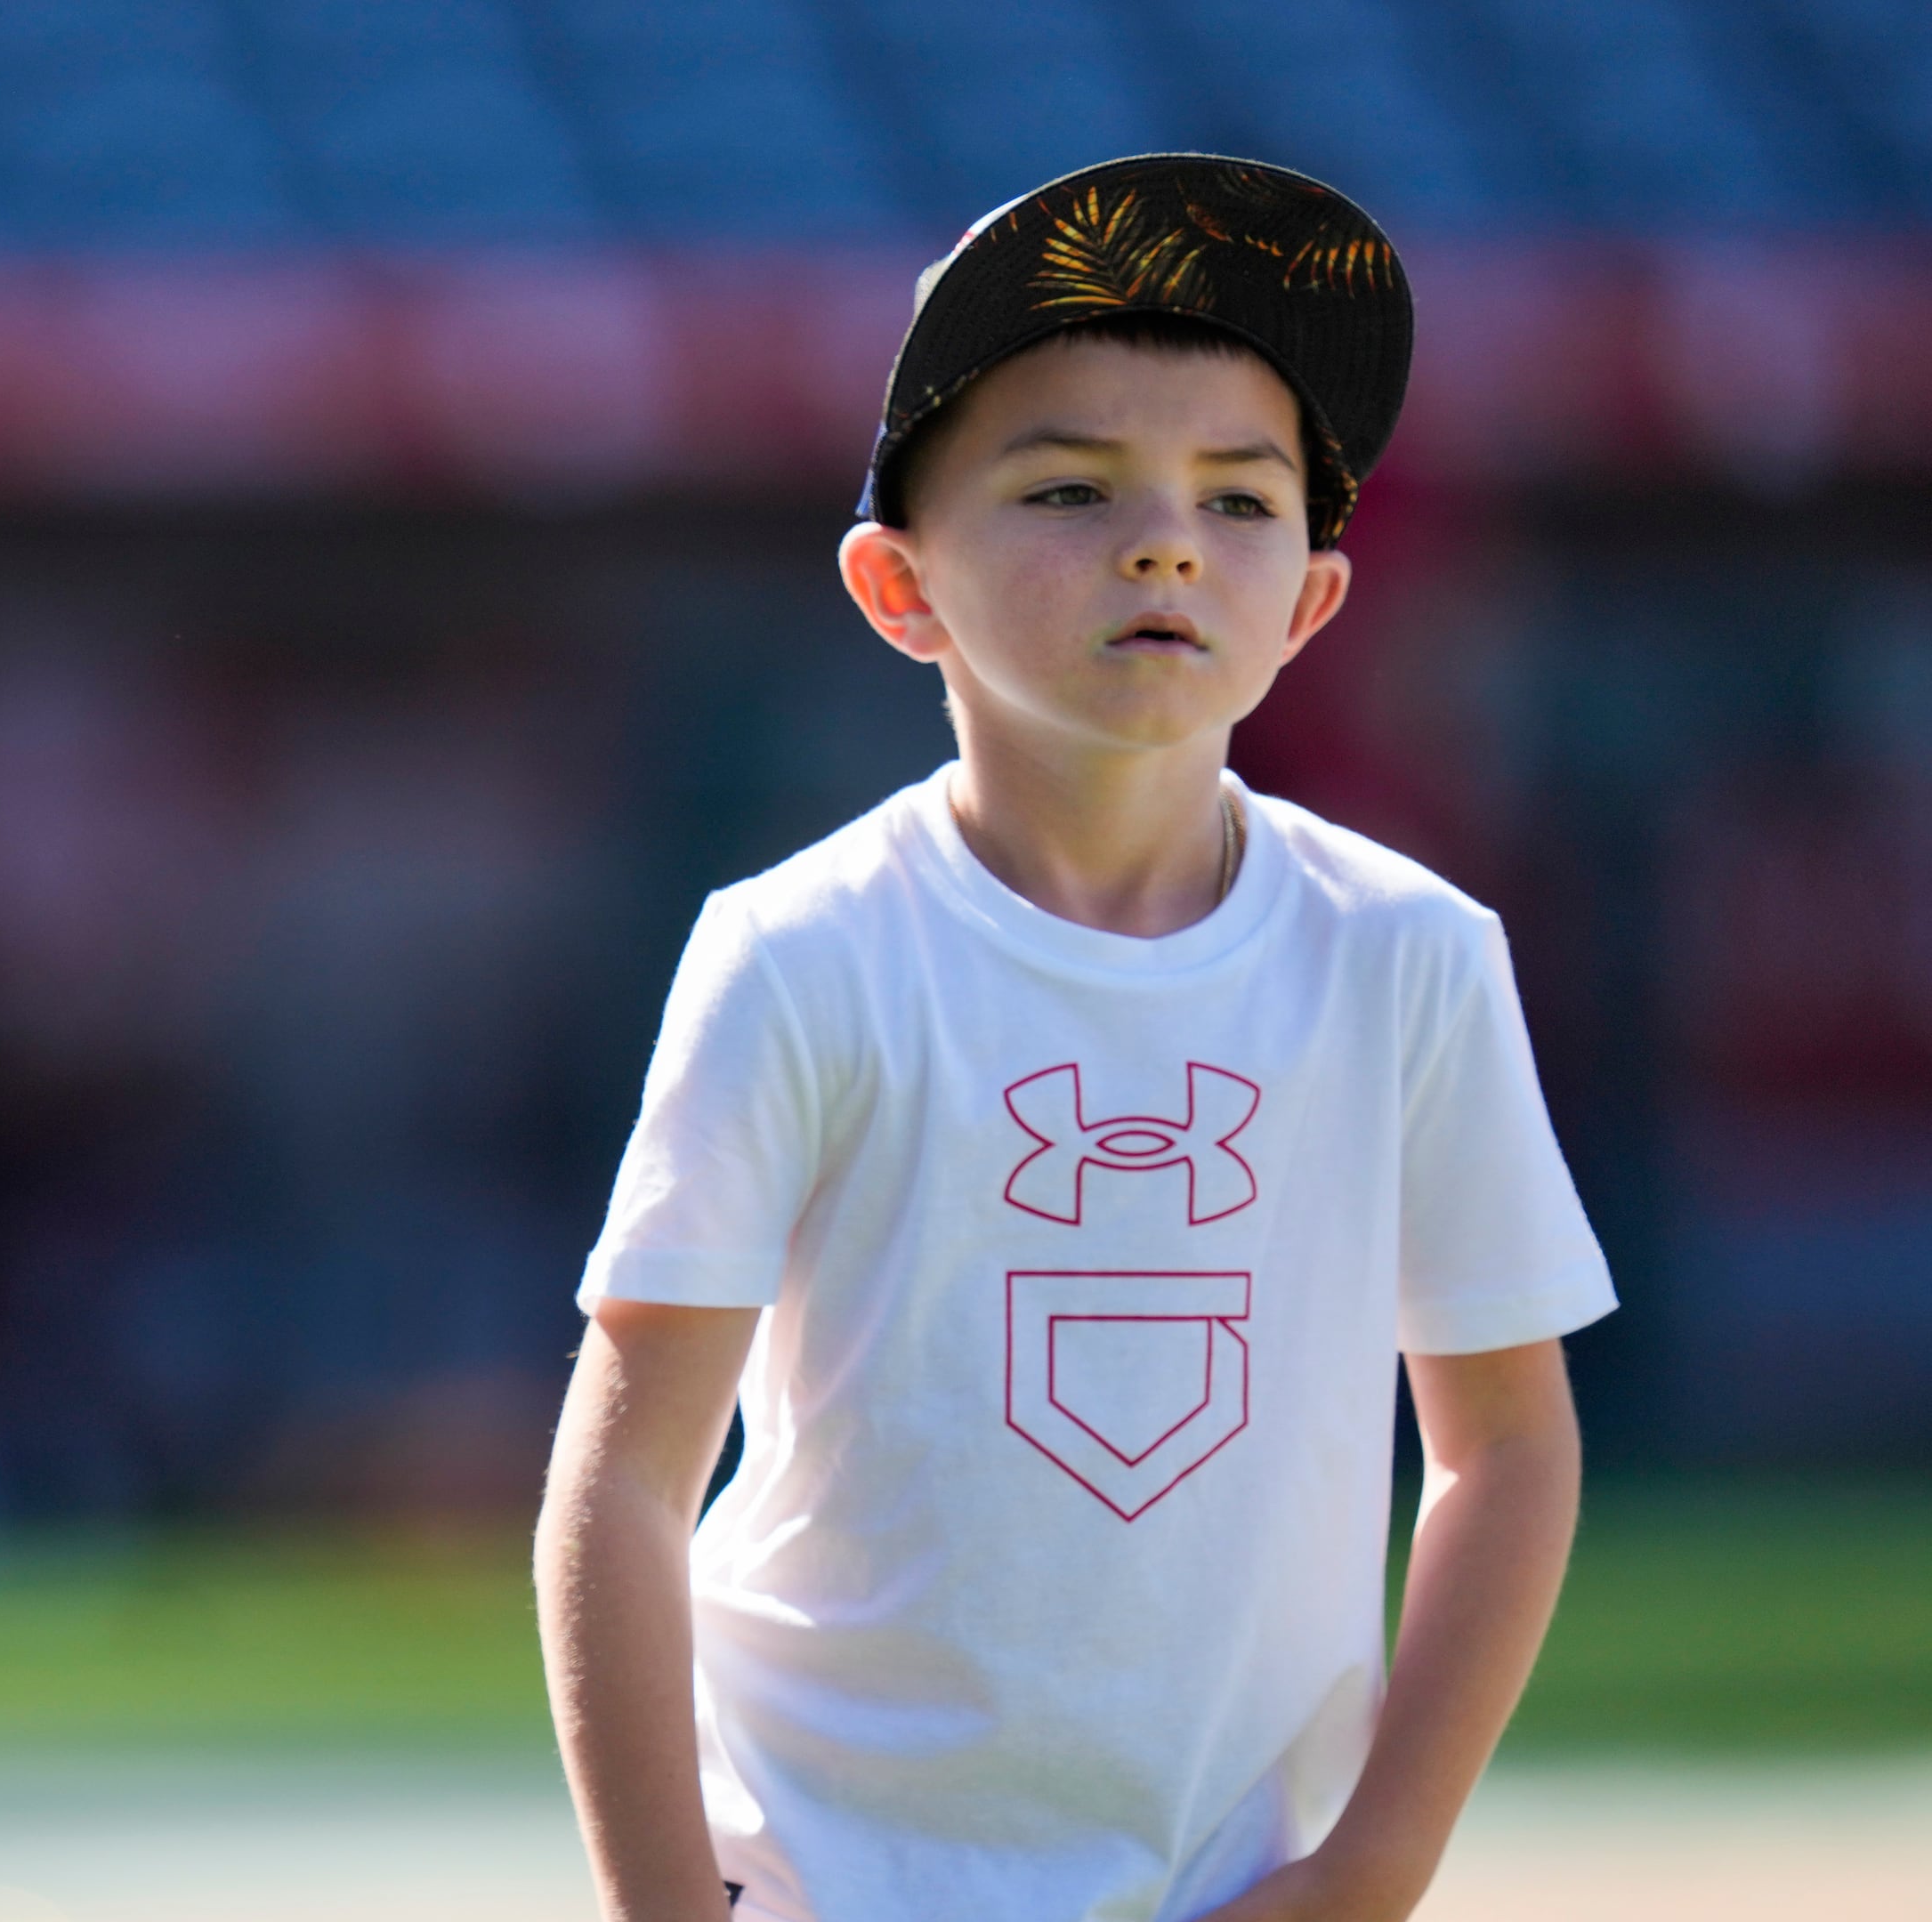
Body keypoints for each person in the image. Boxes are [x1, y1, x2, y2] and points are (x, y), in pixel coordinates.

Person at [536, 155, 1614, 1922]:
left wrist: (1368, 1876)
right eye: (1068, 487)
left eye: (1242, 500)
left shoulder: (1412, 961)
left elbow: (1507, 1453)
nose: (1167, 538)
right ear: (900, 590)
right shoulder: (801, 957)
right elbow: (625, 1488)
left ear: (1317, 601)